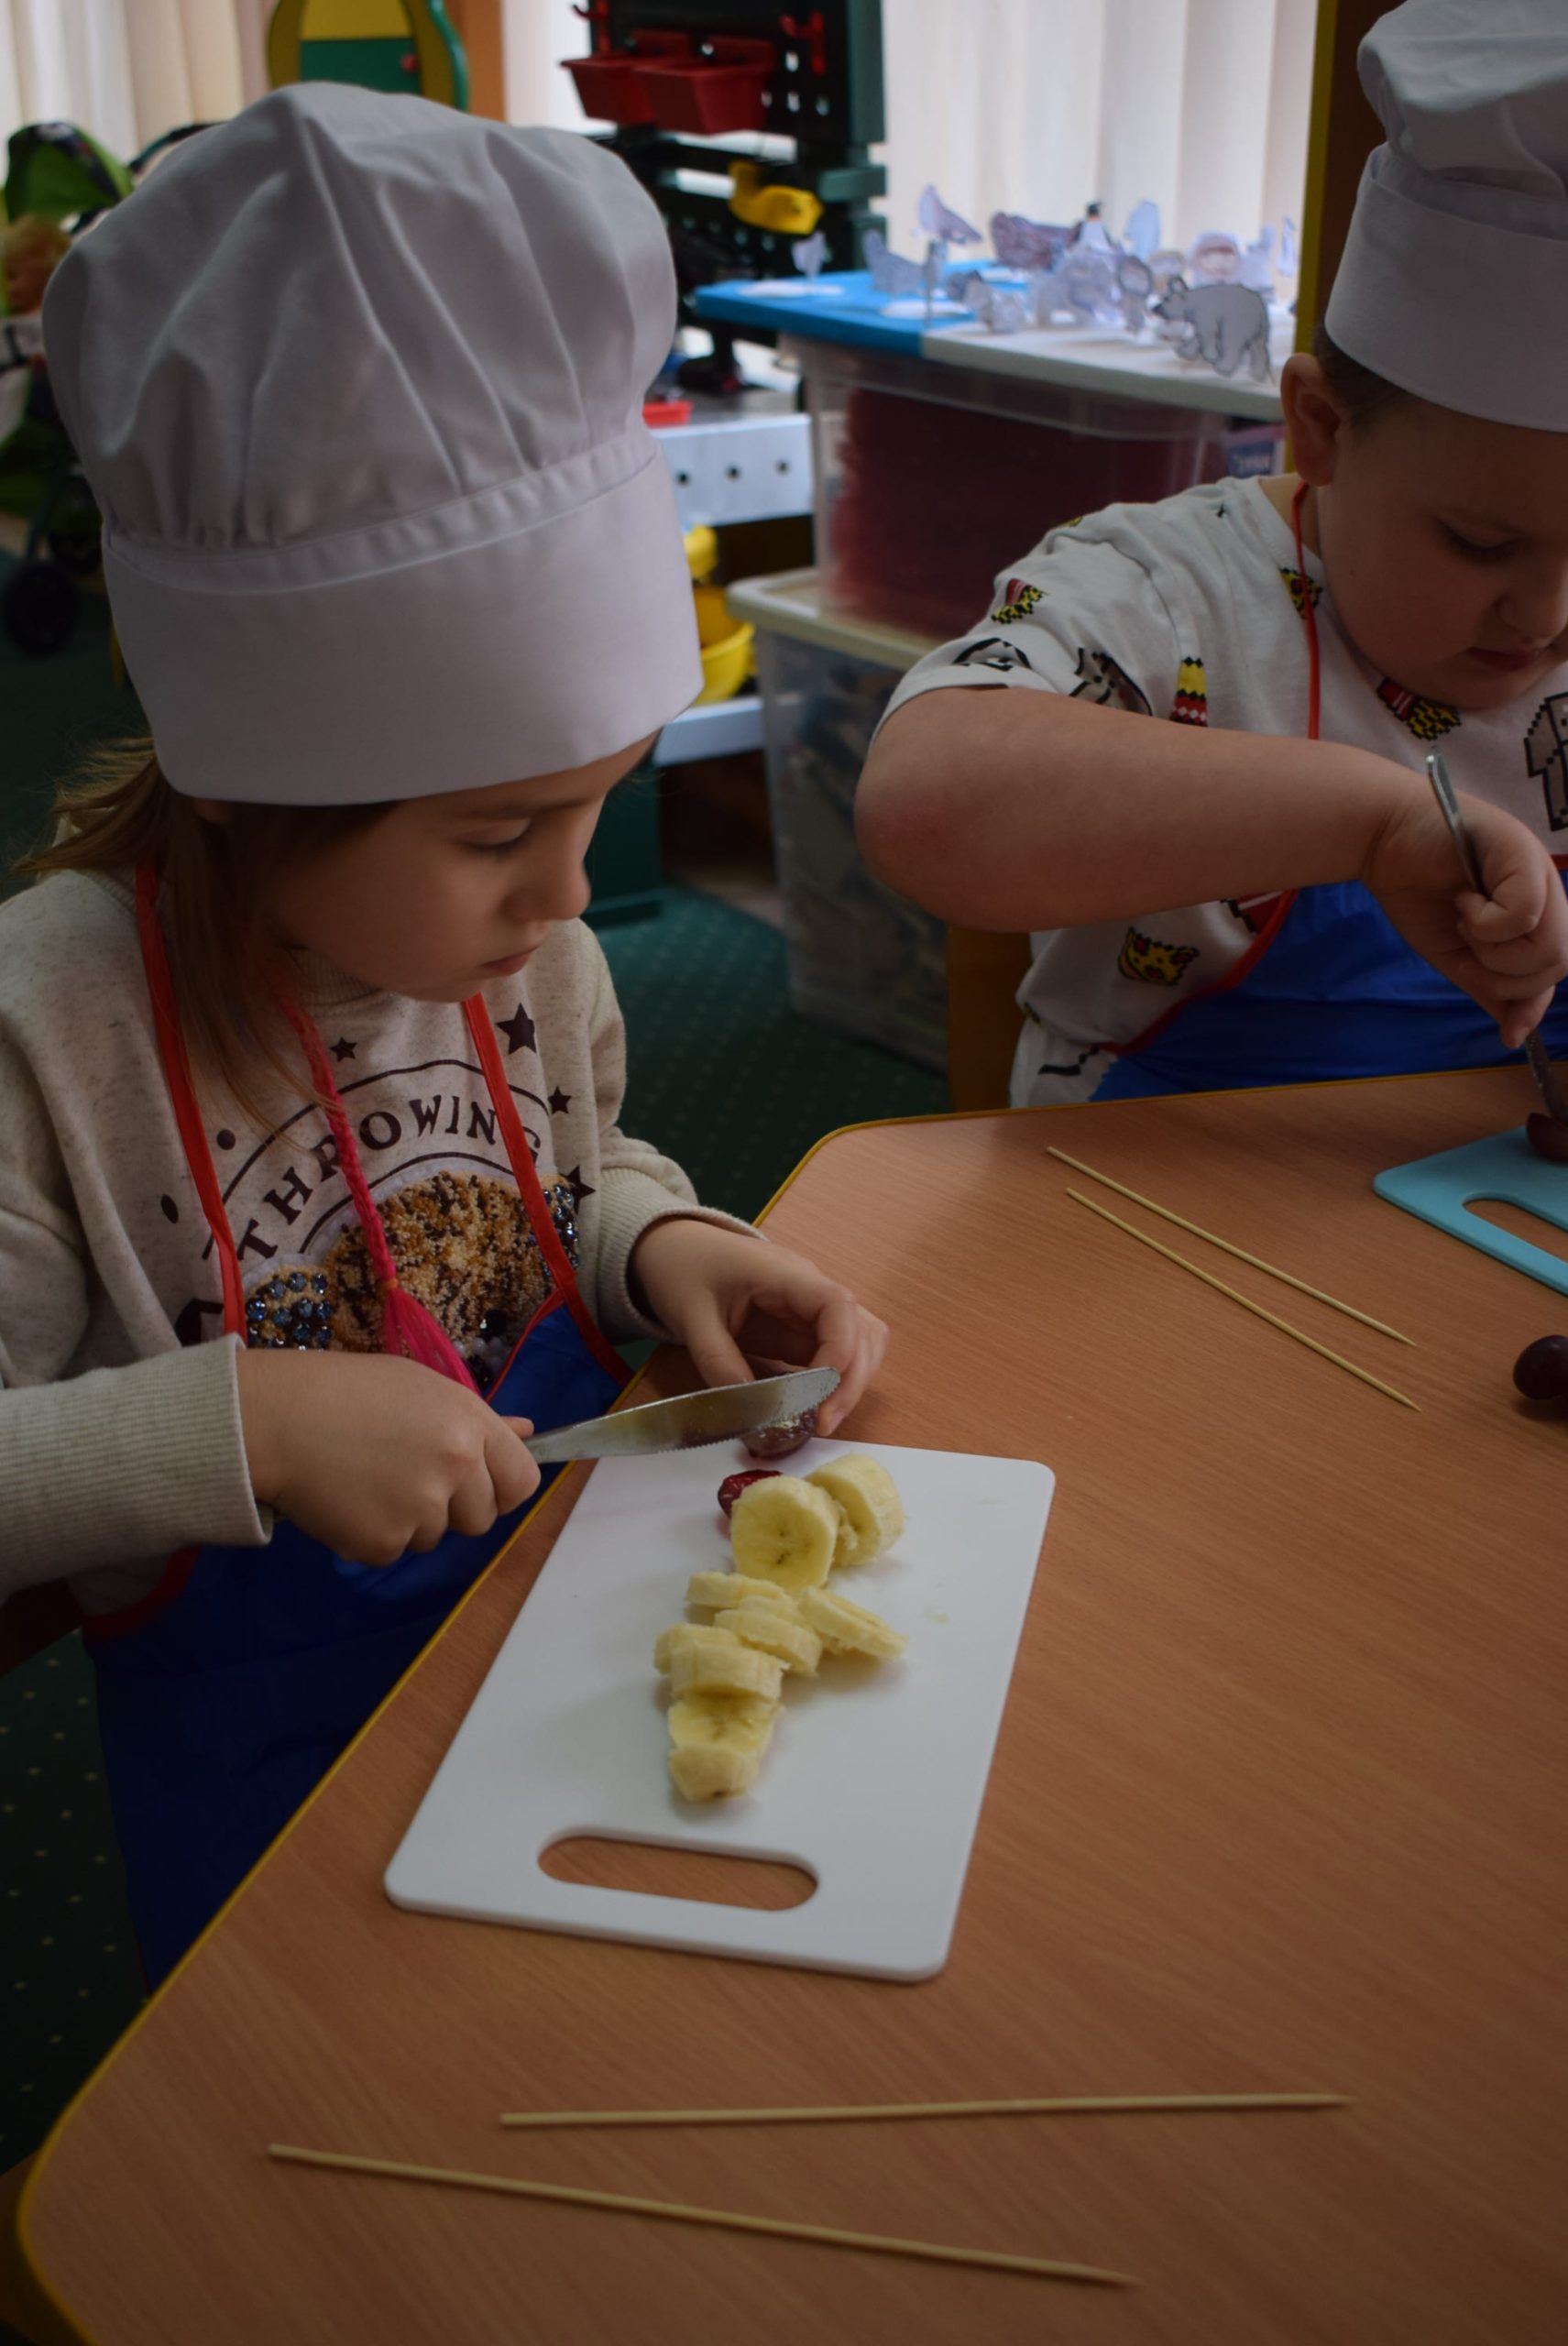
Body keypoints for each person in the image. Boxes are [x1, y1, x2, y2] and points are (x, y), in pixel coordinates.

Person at [0, 85, 885, 1982]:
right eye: (499, 833)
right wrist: (236, 1422)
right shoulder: (47, 1037)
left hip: (570, 1670)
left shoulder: (527, 947)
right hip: (275, 1824)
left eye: (601, 799)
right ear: (244, 775)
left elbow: (563, 1168)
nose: (570, 892)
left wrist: (657, 1240)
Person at [857, 0, 1568, 1109]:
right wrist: (1373, 824)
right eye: (1481, 542)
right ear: (1319, 427)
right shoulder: (1163, 593)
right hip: (1148, 1171)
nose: (1546, 615)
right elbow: (923, 805)